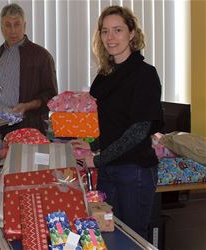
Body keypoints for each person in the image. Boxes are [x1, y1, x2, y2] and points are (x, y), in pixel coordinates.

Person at [79, 6, 163, 239]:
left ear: (132, 33)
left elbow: (137, 131)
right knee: (109, 234)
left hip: (134, 171)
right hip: (110, 168)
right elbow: (115, 122)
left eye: (117, 30)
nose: (110, 37)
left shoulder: (144, 74)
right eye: (105, 31)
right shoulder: (107, 73)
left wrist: (97, 158)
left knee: (132, 239)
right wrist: (94, 144)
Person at [0, 3, 58, 137]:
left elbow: (51, 95)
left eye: (17, 24)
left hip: (26, 127)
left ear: (24, 25)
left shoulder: (41, 56)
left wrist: (26, 106)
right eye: (8, 25)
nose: (13, 30)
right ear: (2, 27)